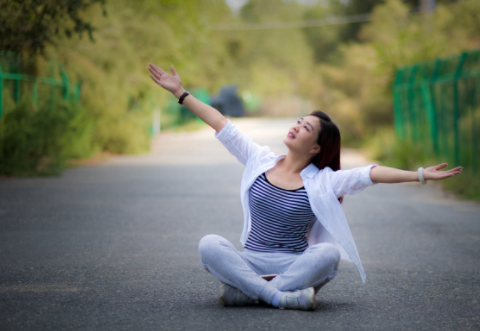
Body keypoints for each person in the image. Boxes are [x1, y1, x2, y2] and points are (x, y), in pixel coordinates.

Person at [148, 63, 463, 311]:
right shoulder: (260, 159)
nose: (296, 126)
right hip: (252, 260)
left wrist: (420, 174)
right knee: (209, 244)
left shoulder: (323, 181)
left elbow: (371, 173)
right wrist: (182, 93)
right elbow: (221, 124)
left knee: (328, 253)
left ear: (315, 148)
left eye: (306, 128)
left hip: (293, 264)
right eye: (299, 121)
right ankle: (280, 296)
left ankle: (247, 292)